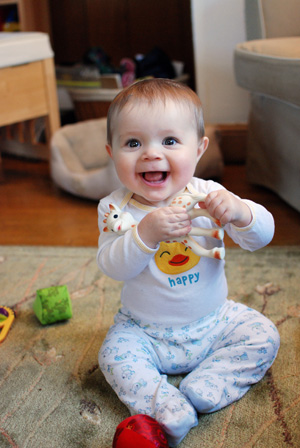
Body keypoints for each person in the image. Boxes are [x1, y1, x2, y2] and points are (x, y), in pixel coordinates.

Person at [97, 78, 280, 447]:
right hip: (144, 331)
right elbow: (112, 266)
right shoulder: (115, 208)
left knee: (264, 335)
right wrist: (144, 234)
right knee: (112, 356)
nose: (150, 153)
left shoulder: (210, 195)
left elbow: (261, 238)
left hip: (215, 322)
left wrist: (242, 213)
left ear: (199, 149)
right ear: (111, 151)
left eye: (169, 141)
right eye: (133, 143)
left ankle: (205, 388)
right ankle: (167, 406)